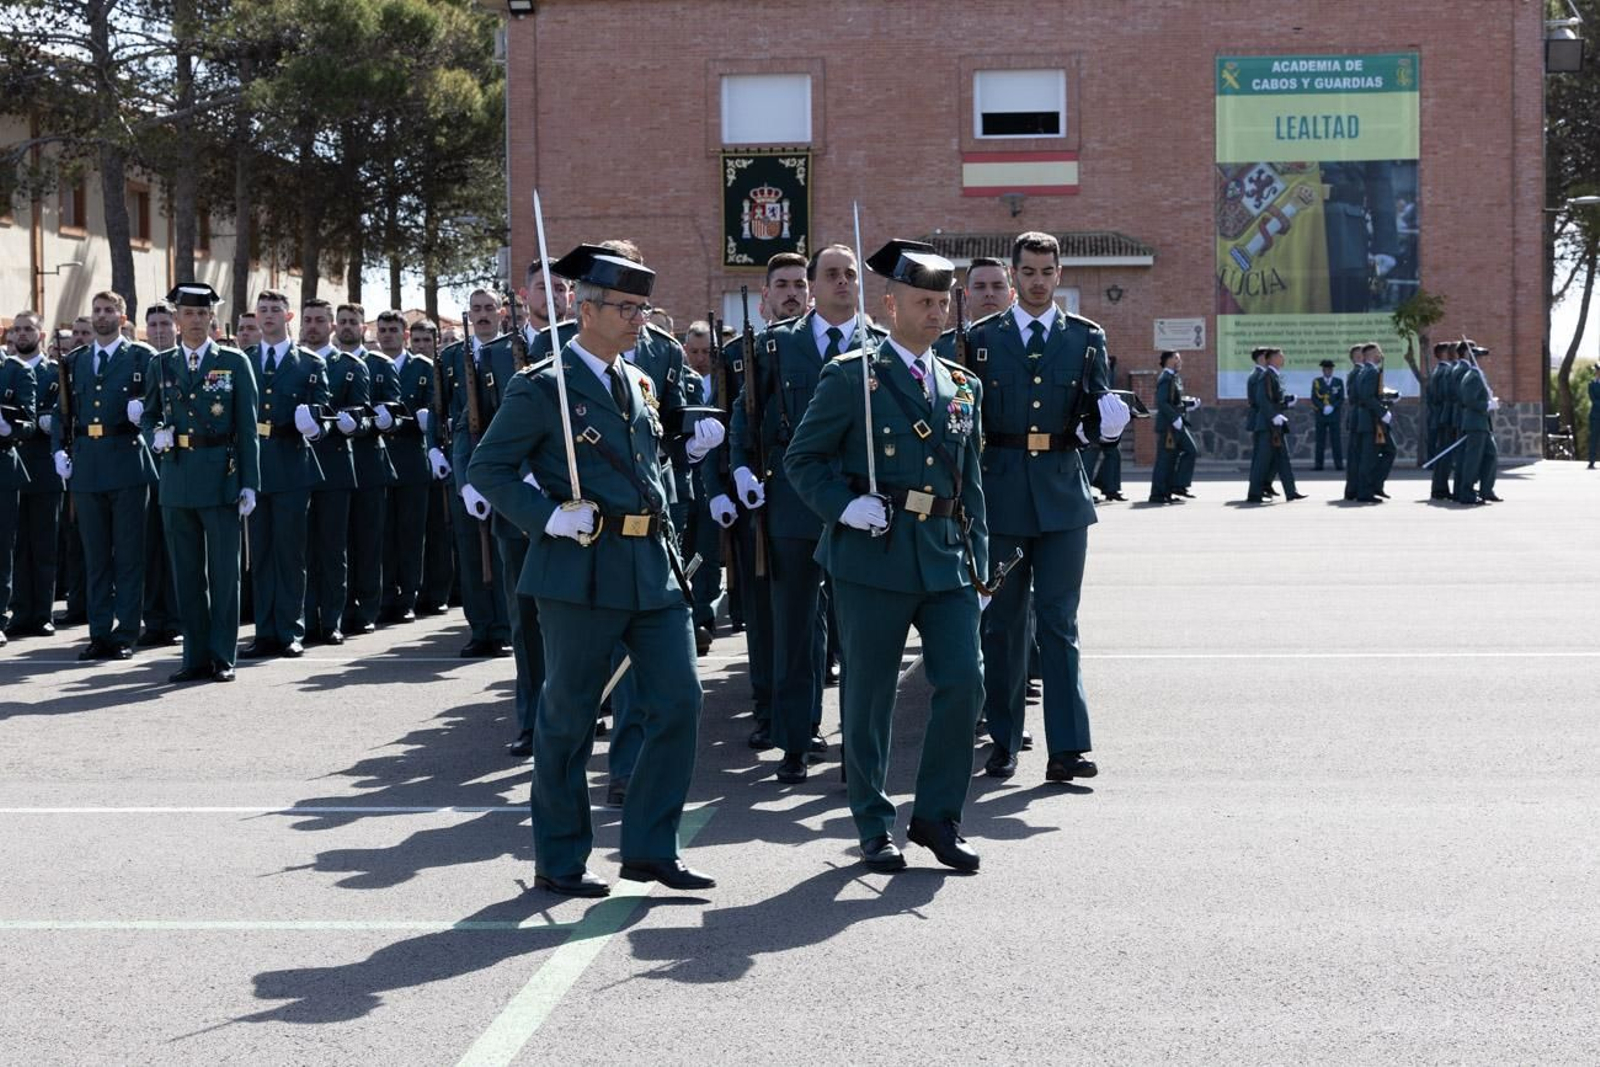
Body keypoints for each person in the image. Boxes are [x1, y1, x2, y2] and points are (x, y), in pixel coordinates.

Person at [468, 243, 714, 898]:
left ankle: (650, 846)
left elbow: (653, 471)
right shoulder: (542, 384)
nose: (640, 319)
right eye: (627, 308)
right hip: (580, 569)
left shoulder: (637, 380)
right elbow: (487, 468)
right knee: (569, 716)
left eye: (643, 307)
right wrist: (547, 517)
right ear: (585, 306)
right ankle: (561, 855)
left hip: (649, 568)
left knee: (681, 700)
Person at [786, 238, 991, 872]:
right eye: (924, 302)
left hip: (944, 554)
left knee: (964, 681)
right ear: (891, 304)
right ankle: (873, 822)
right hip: (873, 553)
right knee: (869, 698)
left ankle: (936, 816)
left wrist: (980, 563)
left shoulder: (962, 385)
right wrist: (844, 506)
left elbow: (971, 482)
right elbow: (804, 459)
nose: (937, 314)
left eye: (943, 302)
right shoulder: (854, 376)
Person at [964, 231, 1129, 785]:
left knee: (1059, 623)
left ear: (1060, 275)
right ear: (1014, 278)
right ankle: (1005, 742)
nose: (1037, 282)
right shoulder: (979, 339)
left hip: (1062, 497)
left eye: (1046, 271)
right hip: (1002, 494)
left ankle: (1069, 747)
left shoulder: (1085, 338)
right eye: (1027, 273)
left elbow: (1091, 415)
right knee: (1004, 626)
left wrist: (1106, 430)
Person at [727, 247, 883, 784]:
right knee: (795, 629)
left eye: (850, 274)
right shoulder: (778, 344)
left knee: (861, 632)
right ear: (814, 285)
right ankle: (796, 740)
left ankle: (858, 749)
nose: (843, 282)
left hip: (861, 502)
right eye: (832, 274)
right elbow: (748, 414)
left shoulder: (879, 347)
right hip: (794, 501)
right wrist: (742, 469)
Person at [139, 283, 261, 683]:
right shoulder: (161, 364)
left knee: (224, 573)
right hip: (176, 476)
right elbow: (149, 414)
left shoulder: (233, 361)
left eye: (201, 313)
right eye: (187, 314)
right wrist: (153, 432)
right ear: (176, 318)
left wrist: (250, 482)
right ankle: (194, 656)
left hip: (221, 475)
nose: (194, 321)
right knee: (186, 573)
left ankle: (222, 655)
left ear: (212, 318)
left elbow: (247, 427)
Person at [49, 293, 158, 658]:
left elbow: (161, 407)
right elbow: (63, 412)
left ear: (122, 316)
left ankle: (125, 633)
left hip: (127, 461)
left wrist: (143, 414)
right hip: (88, 466)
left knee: (128, 555)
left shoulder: (142, 358)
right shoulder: (76, 360)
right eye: (97, 311)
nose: (101, 316)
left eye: (109, 310)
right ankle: (99, 633)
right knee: (95, 555)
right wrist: (58, 452)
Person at [239, 290, 328, 659]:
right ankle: (264, 630)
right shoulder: (242, 360)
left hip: (292, 463)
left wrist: (314, 426)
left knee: (290, 554)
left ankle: (290, 629)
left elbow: (323, 415)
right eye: (263, 310)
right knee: (259, 554)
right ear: (256, 318)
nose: (269, 315)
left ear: (289, 317)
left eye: (276, 310)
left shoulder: (308, 363)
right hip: (257, 465)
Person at [431, 289, 511, 658]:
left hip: (506, 463)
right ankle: (481, 628)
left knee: (504, 550)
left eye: (488, 308)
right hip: (463, 464)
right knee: (469, 549)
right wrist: (434, 448)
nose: (482, 315)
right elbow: (439, 408)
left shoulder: (514, 352)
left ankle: (508, 624)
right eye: (476, 309)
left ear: (501, 312)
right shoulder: (450, 357)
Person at [301, 298, 368, 645]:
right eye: (308, 319)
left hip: (335, 468)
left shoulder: (351, 365)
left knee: (331, 549)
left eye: (319, 320)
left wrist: (350, 421)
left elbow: (362, 415)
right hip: (296, 468)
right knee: (300, 549)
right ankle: (304, 619)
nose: (312, 326)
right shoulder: (295, 363)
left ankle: (331, 619)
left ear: (331, 326)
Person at [339, 304, 398, 635]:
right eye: (343, 321)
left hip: (368, 463)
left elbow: (393, 409)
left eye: (353, 322)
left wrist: (382, 418)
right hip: (337, 465)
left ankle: (368, 608)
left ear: (364, 328)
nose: (347, 327)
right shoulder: (330, 363)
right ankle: (342, 605)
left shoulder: (379, 364)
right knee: (340, 542)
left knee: (369, 542)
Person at [7, 310, 64, 640]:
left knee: (43, 545)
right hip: (13, 467)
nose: (22, 334)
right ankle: (19, 610)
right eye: (17, 330)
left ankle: (42, 613)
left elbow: (62, 413)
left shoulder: (54, 372)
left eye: (29, 329)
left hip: (44, 467)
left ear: (41, 335)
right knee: (15, 545)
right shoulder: (6, 371)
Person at [372, 309, 431, 626]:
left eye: (393, 330)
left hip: (410, 461)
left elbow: (435, 407)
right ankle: (384, 597)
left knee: (410, 534)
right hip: (381, 461)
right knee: (383, 534)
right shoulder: (371, 366)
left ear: (405, 334)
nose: (387, 335)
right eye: (382, 330)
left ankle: (408, 596)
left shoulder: (422, 367)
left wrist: (420, 419)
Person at [138, 301, 182, 646]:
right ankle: (154, 618)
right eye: (152, 324)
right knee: (150, 547)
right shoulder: (144, 361)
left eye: (164, 323)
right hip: (144, 467)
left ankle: (179, 617)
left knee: (179, 549)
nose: (158, 330)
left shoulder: (189, 361)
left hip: (182, 467)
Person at [405, 320, 455, 614]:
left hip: (441, 459)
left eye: (427, 340)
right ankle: (421, 591)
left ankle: (439, 592)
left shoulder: (439, 369)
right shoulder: (411, 368)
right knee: (417, 532)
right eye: (418, 339)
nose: (421, 344)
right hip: (418, 461)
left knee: (440, 532)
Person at [0, 313, 41, 648]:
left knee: (2, 550)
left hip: (3, 467)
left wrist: (6, 428)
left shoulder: (16, 370)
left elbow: (28, 423)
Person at [1248, 348, 1305, 503]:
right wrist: (1273, 415)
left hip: (1274, 425)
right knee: (1262, 460)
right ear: (1271, 359)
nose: (1283, 358)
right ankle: (1254, 493)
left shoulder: (1273, 376)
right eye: (1280, 356)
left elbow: (1273, 399)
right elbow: (1262, 399)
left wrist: (1286, 402)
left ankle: (1291, 491)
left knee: (1282, 458)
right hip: (1267, 425)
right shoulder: (1266, 375)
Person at [933, 256, 1014, 362]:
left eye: (997, 286)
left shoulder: (1023, 342)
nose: (989, 293)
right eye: (980, 287)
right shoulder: (942, 348)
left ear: (1011, 296)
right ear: (966, 295)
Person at [1453, 341, 1501, 505]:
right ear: (1476, 359)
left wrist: (1489, 400)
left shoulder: (1478, 375)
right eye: (1482, 358)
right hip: (1475, 423)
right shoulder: (1472, 376)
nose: (1485, 361)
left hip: (1482, 424)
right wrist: (1487, 405)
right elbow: (1469, 400)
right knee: (1473, 460)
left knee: (1490, 455)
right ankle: (1466, 492)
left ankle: (1486, 490)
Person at [1149, 350, 1198, 504]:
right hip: (1169, 426)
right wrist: (1175, 417)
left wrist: (1188, 405)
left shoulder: (1174, 377)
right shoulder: (1165, 378)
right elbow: (1162, 402)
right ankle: (1158, 494)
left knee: (1182, 455)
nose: (1180, 361)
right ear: (1169, 360)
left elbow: (1174, 401)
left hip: (1176, 423)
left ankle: (1174, 488)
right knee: (1165, 460)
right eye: (1177, 358)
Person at [1354, 342, 1396, 503]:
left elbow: (1372, 394)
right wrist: (1383, 412)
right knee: (1369, 457)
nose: (1381, 354)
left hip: (1371, 420)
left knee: (1389, 451)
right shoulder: (1371, 372)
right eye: (1379, 352)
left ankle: (1375, 485)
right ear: (1372, 354)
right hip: (1372, 421)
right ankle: (1365, 492)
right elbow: (1367, 396)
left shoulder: (1365, 371)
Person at [1427, 342, 1457, 499]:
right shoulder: (1445, 371)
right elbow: (1445, 396)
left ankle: (1439, 487)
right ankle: (1440, 488)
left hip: (1438, 416)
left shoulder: (1437, 370)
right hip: (1445, 417)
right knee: (1446, 454)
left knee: (1443, 453)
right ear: (1445, 354)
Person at [1341, 345, 1366, 501]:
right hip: (1358, 418)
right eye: (1362, 354)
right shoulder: (1356, 373)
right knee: (1356, 455)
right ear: (1357, 357)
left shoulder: (1359, 372)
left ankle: (1354, 489)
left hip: (1358, 417)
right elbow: (1356, 396)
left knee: (1357, 455)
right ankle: (1353, 489)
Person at [1311, 358, 1345, 471]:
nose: (1328, 371)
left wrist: (1332, 406)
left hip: (1334, 415)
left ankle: (1339, 464)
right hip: (1321, 415)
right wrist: (1323, 407)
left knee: (1336, 441)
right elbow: (1314, 398)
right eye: (1326, 369)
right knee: (1320, 440)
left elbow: (1341, 398)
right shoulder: (1317, 382)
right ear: (1323, 370)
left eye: (1330, 369)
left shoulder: (1338, 382)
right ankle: (1318, 465)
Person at [1588, 368, 1600, 469]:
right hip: (1595, 416)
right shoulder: (1591, 384)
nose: (1596, 372)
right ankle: (1591, 461)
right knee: (1594, 439)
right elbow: (1593, 399)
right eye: (1596, 371)